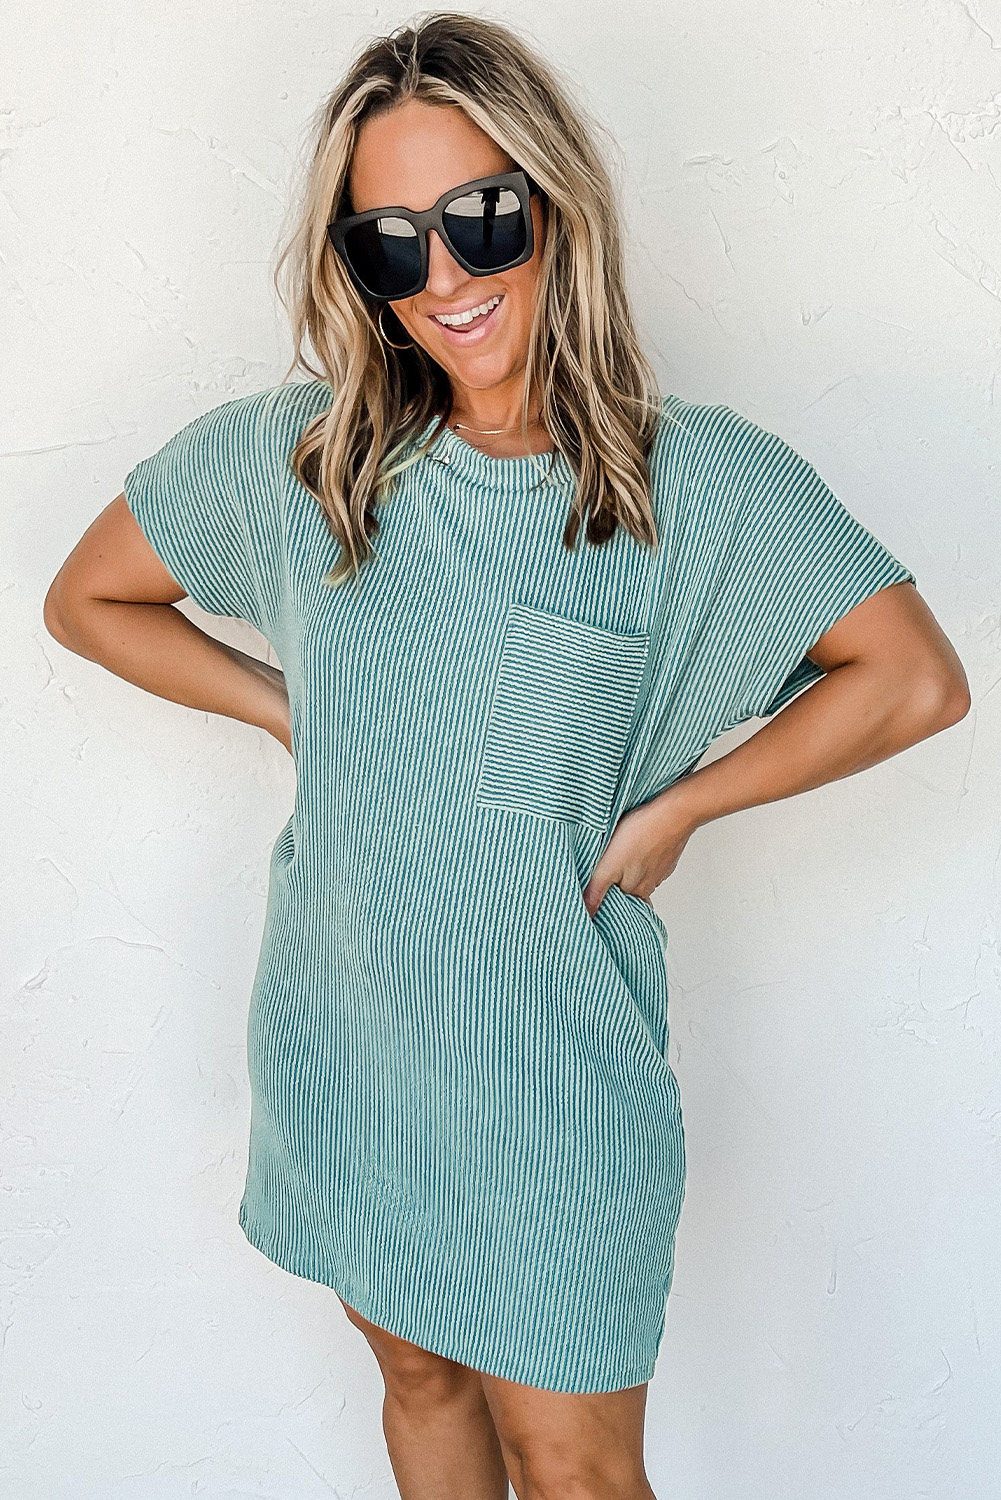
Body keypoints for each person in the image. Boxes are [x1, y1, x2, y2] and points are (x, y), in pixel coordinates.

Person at [42, 13, 969, 1500]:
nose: (447, 279)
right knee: (417, 1379)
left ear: (555, 205)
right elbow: (88, 600)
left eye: (481, 219)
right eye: (390, 245)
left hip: (559, 1071)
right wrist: (293, 710)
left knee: (576, 1468)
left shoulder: (695, 483)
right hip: (351, 1036)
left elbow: (912, 681)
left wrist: (684, 807)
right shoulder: (304, 463)